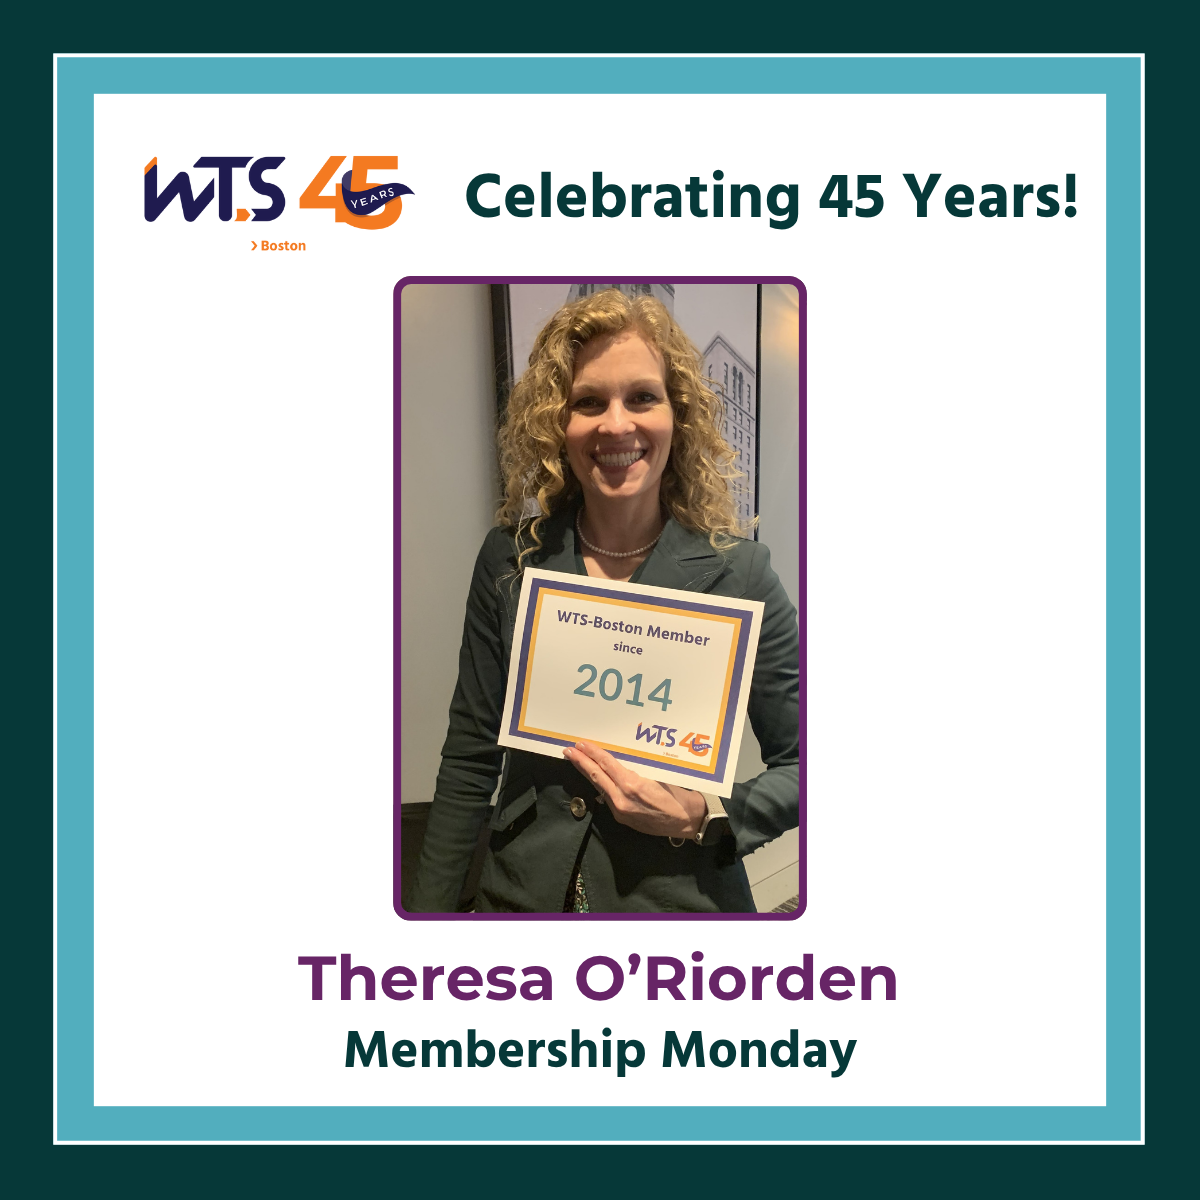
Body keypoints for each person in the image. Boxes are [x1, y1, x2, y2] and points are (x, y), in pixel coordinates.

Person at [410, 288, 799, 913]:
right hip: (521, 902)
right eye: (588, 401)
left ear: (678, 416)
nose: (616, 424)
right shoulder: (509, 560)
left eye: (642, 397)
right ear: (557, 424)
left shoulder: (742, 573)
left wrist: (704, 812)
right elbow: (469, 760)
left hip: (679, 910)